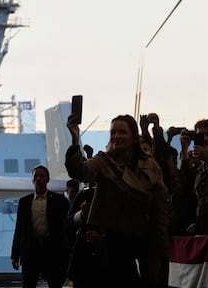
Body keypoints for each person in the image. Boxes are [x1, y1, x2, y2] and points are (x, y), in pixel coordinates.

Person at [66, 114, 169, 287]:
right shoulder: (103, 162)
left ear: (134, 137)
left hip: (146, 239)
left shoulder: (151, 166)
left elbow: (160, 211)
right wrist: (75, 139)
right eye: (113, 132)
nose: (116, 136)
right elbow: (81, 172)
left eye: (122, 132)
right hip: (115, 242)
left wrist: (157, 252)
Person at [11, 165, 70, 288]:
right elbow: (19, 229)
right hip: (30, 251)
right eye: (36, 176)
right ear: (32, 179)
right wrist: (15, 255)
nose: (39, 178)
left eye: (42, 176)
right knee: (28, 284)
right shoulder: (24, 202)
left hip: (53, 251)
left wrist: (67, 253)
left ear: (48, 179)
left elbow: (67, 227)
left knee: (55, 284)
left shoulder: (59, 201)